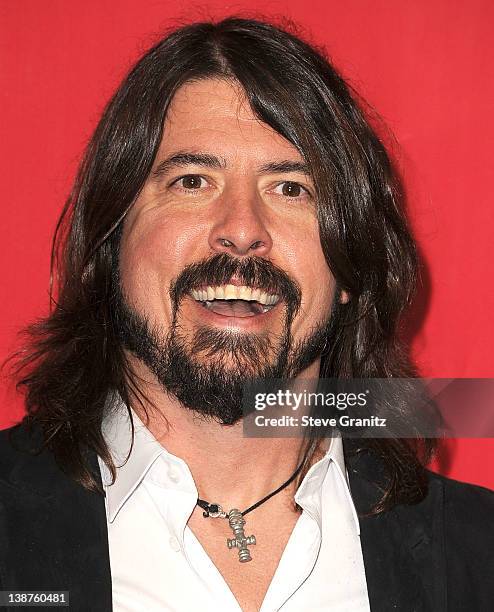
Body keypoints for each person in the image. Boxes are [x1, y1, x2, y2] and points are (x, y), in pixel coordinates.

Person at [0, 17, 492, 612]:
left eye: (291, 189)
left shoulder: (476, 555)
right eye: (192, 181)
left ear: (347, 268)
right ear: (112, 246)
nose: (240, 229)